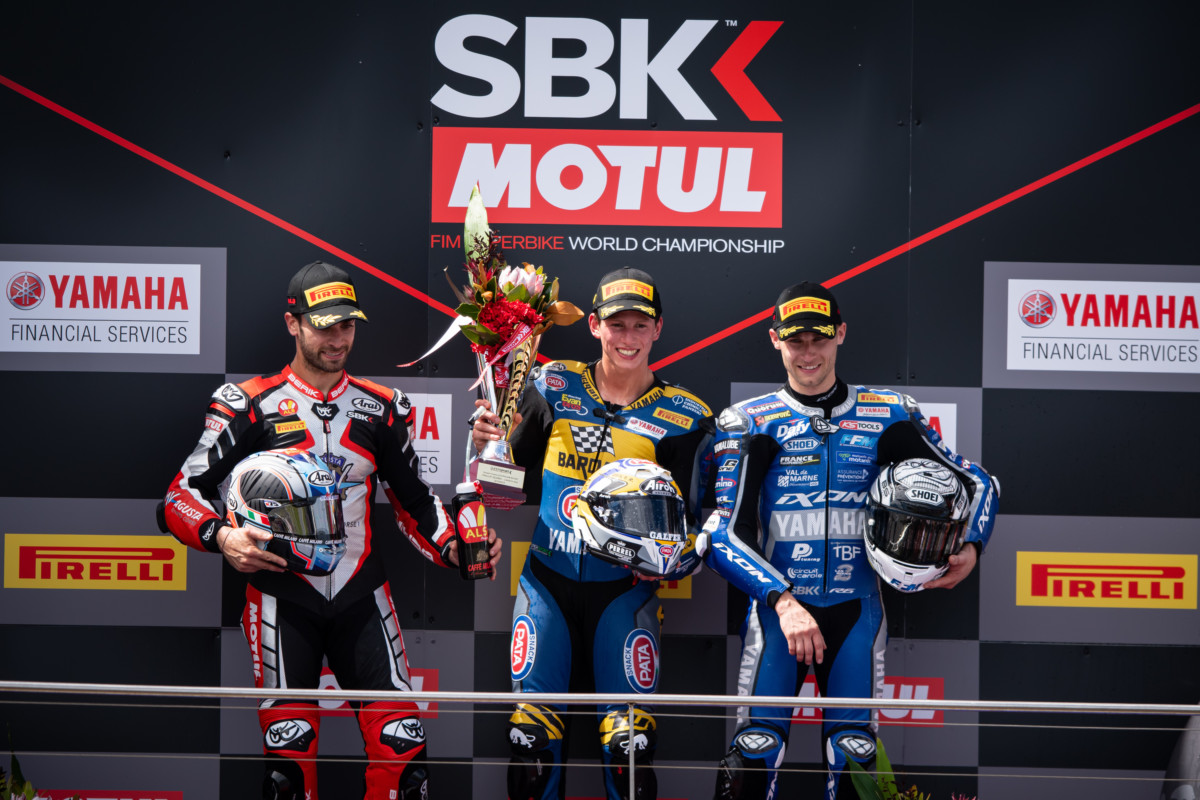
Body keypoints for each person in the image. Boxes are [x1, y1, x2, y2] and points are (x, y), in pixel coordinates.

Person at [157, 260, 502, 800]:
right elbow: (180, 494)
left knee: (405, 761)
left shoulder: (382, 408)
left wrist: (455, 549)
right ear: (292, 323)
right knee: (287, 776)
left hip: (362, 595)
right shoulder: (248, 404)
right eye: (323, 326)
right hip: (280, 599)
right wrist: (223, 538)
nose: (338, 338)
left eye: (347, 325)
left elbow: (413, 504)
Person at [699, 281, 999, 800]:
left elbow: (978, 483)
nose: (808, 353)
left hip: (858, 610)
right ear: (774, 340)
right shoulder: (749, 421)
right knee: (753, 753)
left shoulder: (890, 413)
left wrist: (971, 545)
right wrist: (784, 602)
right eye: (795, 341)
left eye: (819, 338)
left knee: (856, 756)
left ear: (840, 334)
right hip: (778, 616)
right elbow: (722, 535)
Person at [470, 267, 713, 800]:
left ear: (658, 329)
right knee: (530, 743)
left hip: (625, 595)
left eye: (640, 325)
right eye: (616, 324)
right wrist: (486, 449)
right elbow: (505, 492)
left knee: (631, 751)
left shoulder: (687, 416)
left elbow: (702, 528)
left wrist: (671, 559)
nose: (628, 337)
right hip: (545, 585)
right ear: (594, 326)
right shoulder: (551, 384)